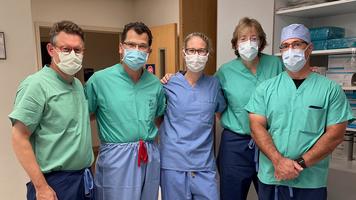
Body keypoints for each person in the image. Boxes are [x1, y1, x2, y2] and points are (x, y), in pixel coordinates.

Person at [245, 23, 354, 200]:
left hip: (310, 180)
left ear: (309, 49)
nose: (290, 50)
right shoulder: (265, 89)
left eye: (297, 44)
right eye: (285, 46)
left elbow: (335, 134)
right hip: (273, 176)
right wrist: (278, 161)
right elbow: (256, 127)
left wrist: (299, 164)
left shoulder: (330, 90)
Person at [9, 21, 95, 200]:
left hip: (82, 178)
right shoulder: (36, 85)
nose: (73, 55)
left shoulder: (77, 84)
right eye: (66, 49)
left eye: (77, 50)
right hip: (54, 183)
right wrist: (41, 187)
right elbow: (19, 137)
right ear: (51, 49)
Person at [84, 22, 166, 200]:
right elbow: (84, 118)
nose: (136, 50)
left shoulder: (155, 84)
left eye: (142, 46)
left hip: (149, 155)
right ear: (121, 47)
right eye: (131, 44)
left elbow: (159, 119)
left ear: (148, 52)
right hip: (116, 159)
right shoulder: (100, 81)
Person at [215, 17, 284, 200]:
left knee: (272, 193)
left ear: (261, 41)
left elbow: (293, 90)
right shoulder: (225, 72)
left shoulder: (276, 65)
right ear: (235, 44)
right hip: (236, 144)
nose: (249, 43)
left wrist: (311, 74)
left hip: (271, 141)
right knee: (231, 195)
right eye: (243, 38)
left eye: (254, 38)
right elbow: (215, 105)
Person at [159, 32, 226, 200]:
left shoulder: (214, 84)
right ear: (184, 53)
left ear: (208, 54)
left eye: (201, 51)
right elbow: (157, 118)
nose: (196, 55)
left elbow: (220, 112)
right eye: (192, 50)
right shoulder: (169, 84)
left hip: (203, 164)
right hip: (174, 164)